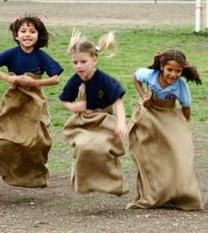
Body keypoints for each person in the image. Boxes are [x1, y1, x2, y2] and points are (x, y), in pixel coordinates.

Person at [0, 15, 63, 188]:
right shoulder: (11, 54)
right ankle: (3, 166)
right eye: (23, 31)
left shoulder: (41, 56)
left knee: (39, 140)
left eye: (32, 31)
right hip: (14, 101)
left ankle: (37, 174)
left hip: (35, 101)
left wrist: (36, 82)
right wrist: (8, 78)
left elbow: (56, 78)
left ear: (38, 36)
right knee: (7, 136)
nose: (27, 34)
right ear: (16, 35)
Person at [127, 49, 203, 210]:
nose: (173, 75)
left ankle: (179, 192)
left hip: (168, 114)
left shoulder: (180, 86)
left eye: (178, 71)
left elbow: (186, 107)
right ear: (162, 66)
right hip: (149, 114)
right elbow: (136, 77)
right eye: (170, 70)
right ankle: (153, 192)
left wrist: (182, 129)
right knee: (151, 154)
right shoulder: (150, 75)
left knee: (176, 154)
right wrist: (143, 96)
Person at [59, 29, 129, 195]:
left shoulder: (104, 80)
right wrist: (74, 107)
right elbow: (64, 99)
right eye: (75, 63)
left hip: (104, 119)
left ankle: (113, 184)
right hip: (83, 121)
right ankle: (83, 182)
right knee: (84, 147)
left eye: (83, 61)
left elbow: (117, 101)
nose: (79, 66)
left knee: (103, 147)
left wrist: (121, 123)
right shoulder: (75, 80)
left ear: (94, 60)